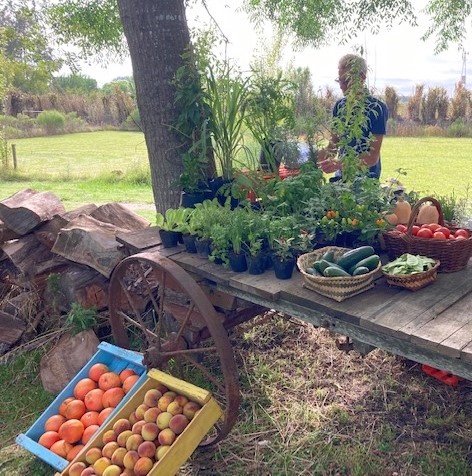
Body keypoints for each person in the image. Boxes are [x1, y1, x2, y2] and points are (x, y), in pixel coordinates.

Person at [316, 54, 388, 180]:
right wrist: (309, 158)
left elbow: (372, 157)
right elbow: (333, 147)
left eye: (347, 80)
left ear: (362, 78)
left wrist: (338, 164)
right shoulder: (339, 106)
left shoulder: (377, 108)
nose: (341, 85)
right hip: (341, 179)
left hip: (366, 183)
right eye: (340, 80)